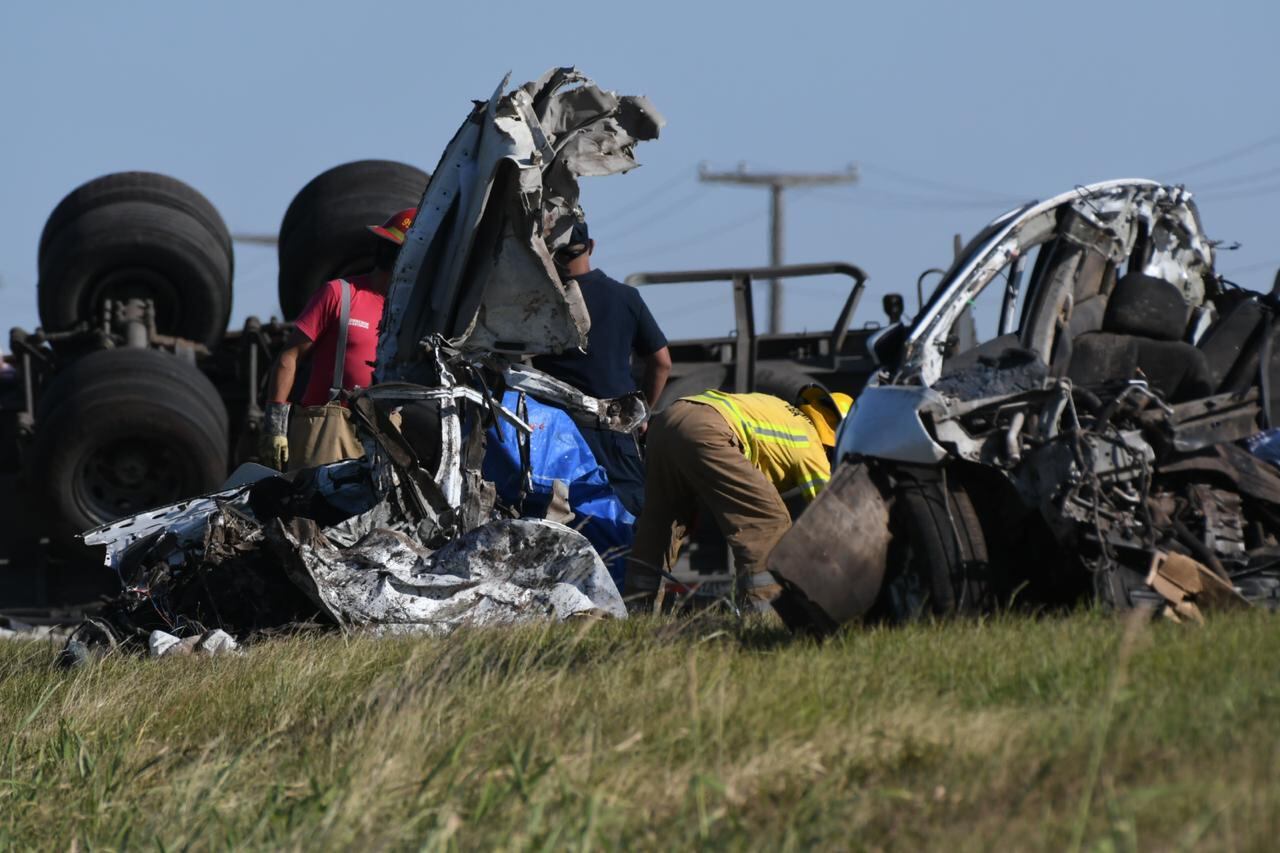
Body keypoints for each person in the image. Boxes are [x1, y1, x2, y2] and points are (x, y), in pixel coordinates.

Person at [624, 385, 852, 608]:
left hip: (666, 421)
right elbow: (829, 512)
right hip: (706, 429)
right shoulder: (811, 442)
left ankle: (638, 606)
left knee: (660, 523)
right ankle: (766, 613)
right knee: (768, 522)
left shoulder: (784, 412)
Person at [532, 216, 672, 515]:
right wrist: (643, 412)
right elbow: (662, 363)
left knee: (557, 515)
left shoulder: (536, 302)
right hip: (616, 428)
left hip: (557, 433)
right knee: (628, 516)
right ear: (591, 247)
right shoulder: (626, 297)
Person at [259, 208, 415, 471]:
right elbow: (290, 356)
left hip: (385, 432)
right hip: (328, 430)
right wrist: (275, 427)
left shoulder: (410, 313)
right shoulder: (339, 294)